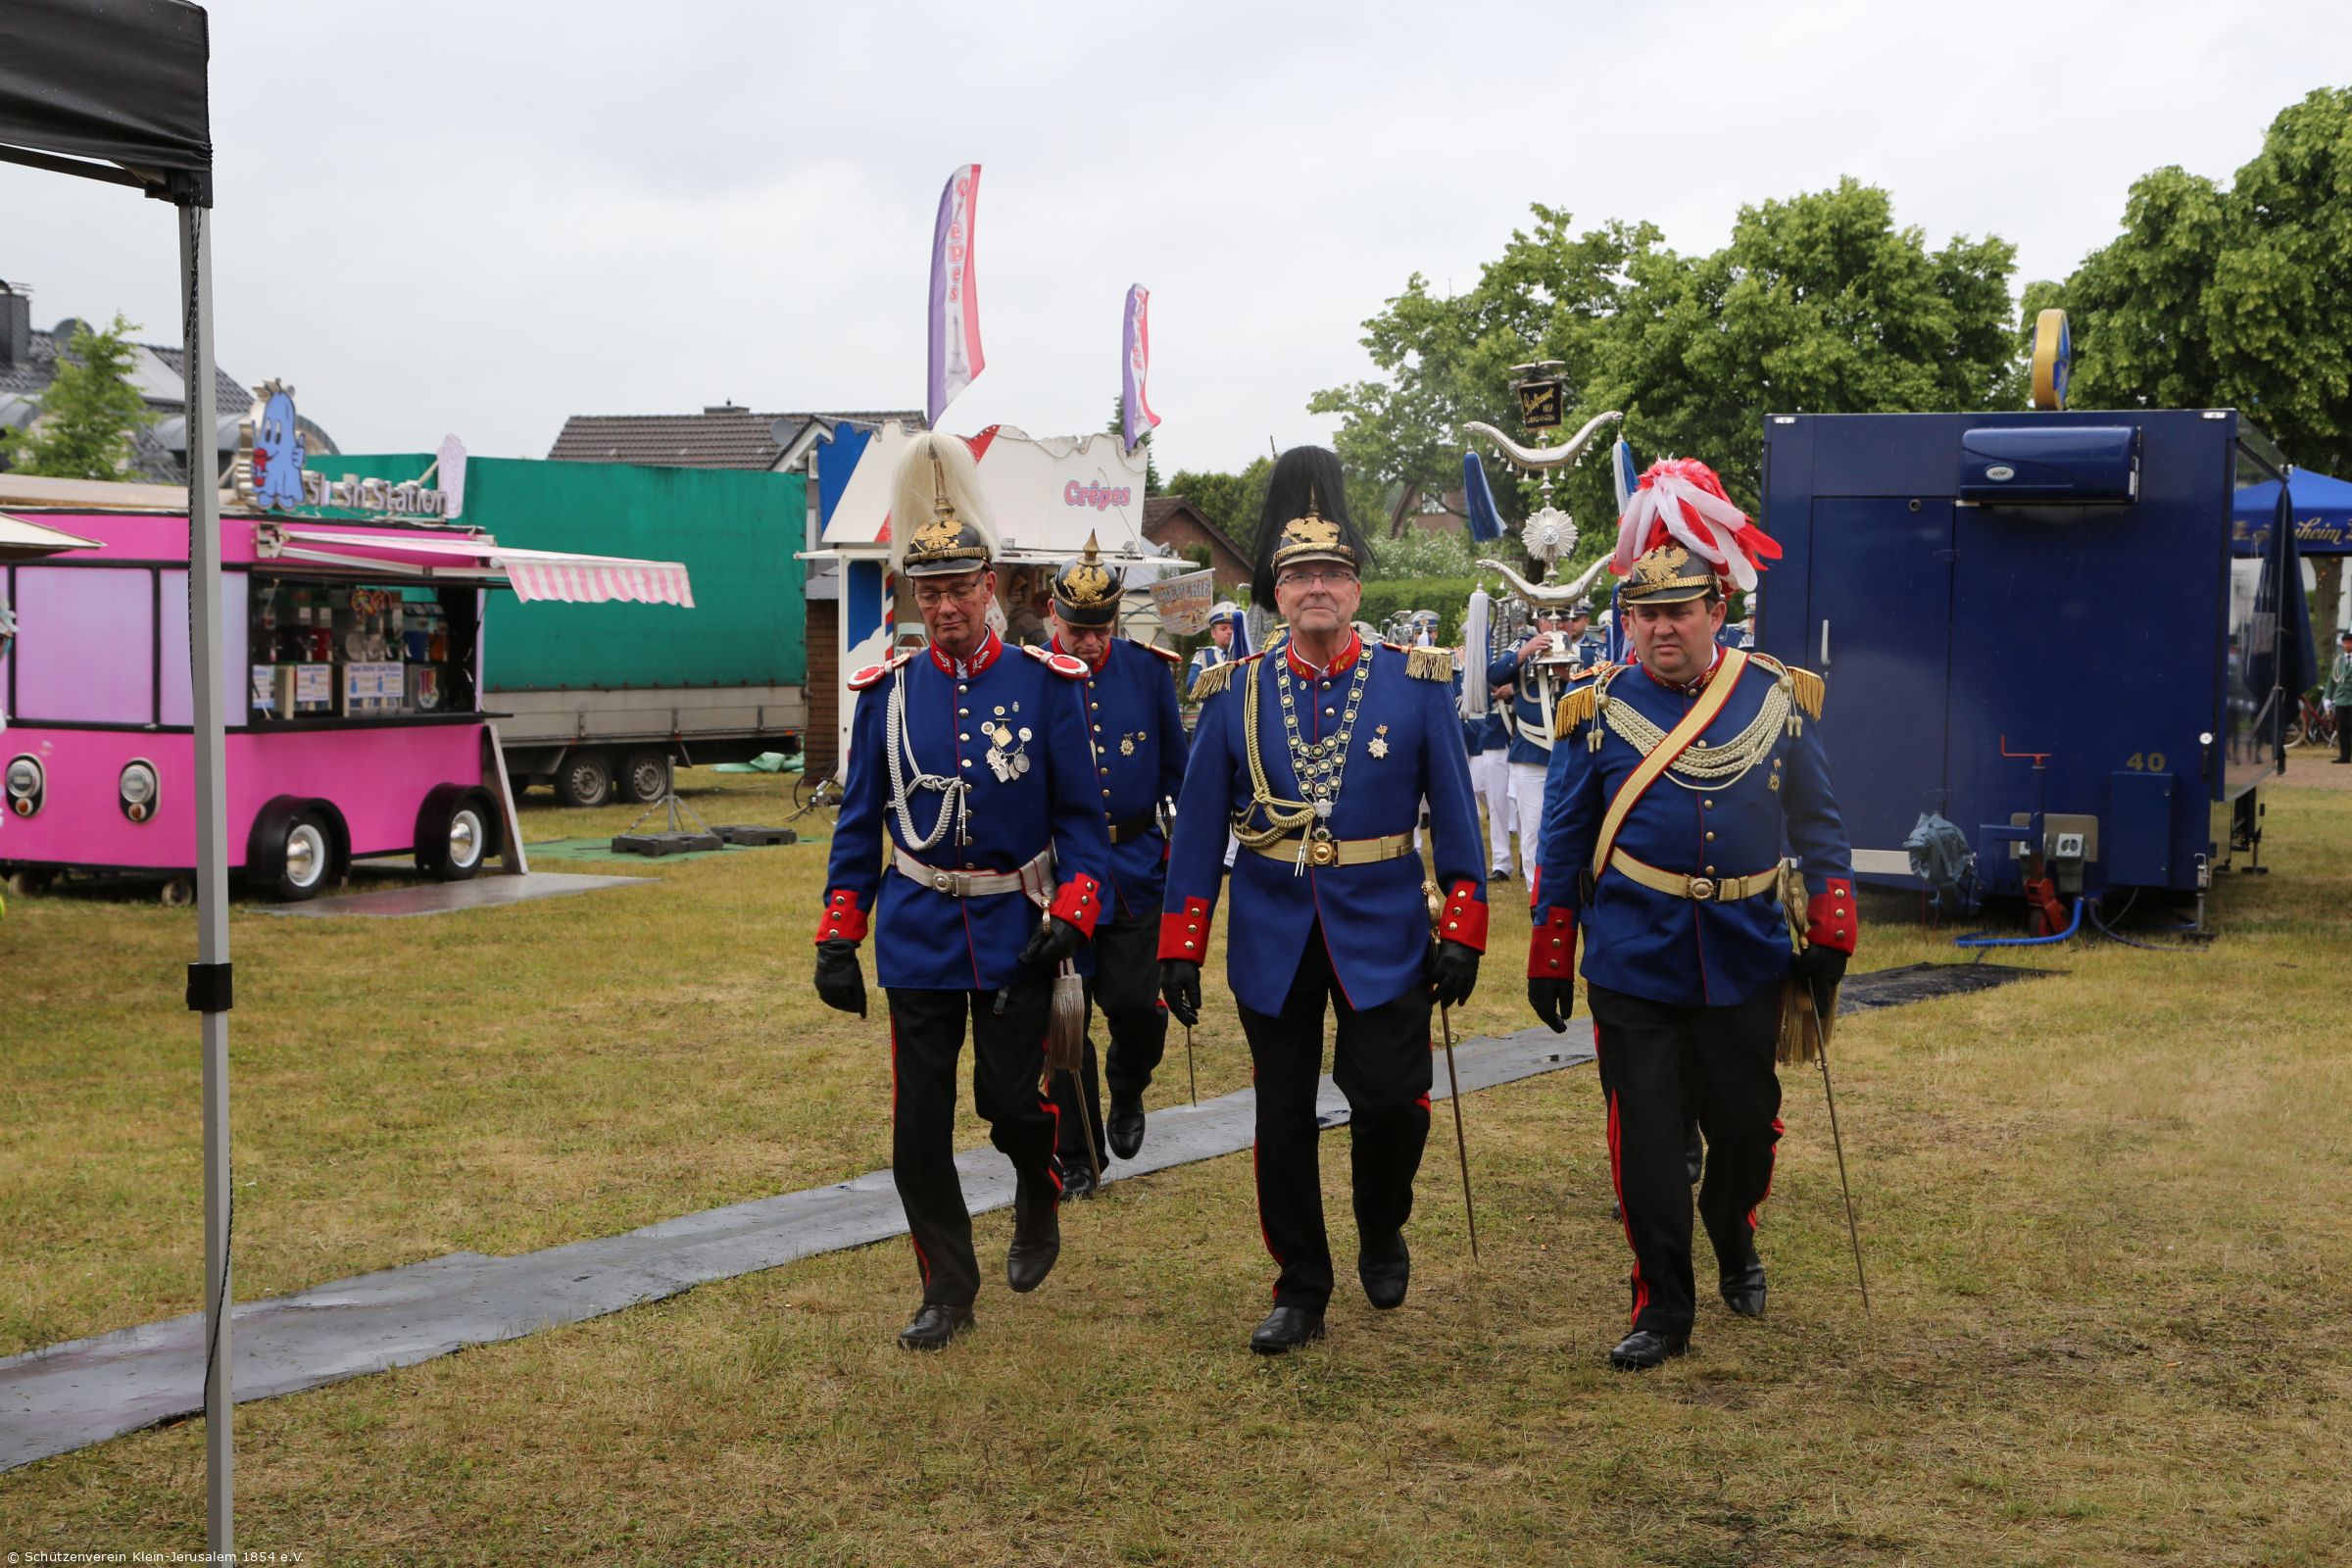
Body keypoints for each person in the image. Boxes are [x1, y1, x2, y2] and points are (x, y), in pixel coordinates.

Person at [1525, 457, 1855, 1372]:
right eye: (1646, 613)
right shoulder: (1596, 708)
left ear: (1718, 609)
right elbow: (1563, 839)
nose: (1662, 628)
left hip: (1746, 953)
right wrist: (1551, 949)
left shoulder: (1775, 696)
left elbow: (1821, 826)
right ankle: (1663, 1307)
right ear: (1628, 619)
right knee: (1647, 1143)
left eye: (1679, 611)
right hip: (1634, 957)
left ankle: (1732, 1227)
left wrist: (1832, 931)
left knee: (1748, 1129)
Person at [1157, 446, 1489, 1354]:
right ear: (1277, 591)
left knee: (1391, 1100)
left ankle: (1381, 1220)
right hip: (1273, 930)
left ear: (1354, 590)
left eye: (1332, 575)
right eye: (1300, 575)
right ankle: (1301, 1286)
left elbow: (1456, 817)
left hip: (1384, 927)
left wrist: (1464, 926)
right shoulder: (1234, 689)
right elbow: (1199, 831)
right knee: (1281, 1120)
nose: (1316, 589)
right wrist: (1180, 943)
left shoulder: (1414, 684)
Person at [811, 433, 1113, 1351]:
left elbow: (1084, 822)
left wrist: (1074, 912)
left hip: (1018, 926)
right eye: (929, 591)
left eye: (959, 588)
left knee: (1012, 1105)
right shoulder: (887, 694)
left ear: (990, 585)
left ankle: (1040, 1187)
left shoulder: (1046, 685)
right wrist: (838, 933)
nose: (944, 607)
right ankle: (947, 1287)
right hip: (917, 930)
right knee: (919, 1126)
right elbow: (859, 823)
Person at [1041, 533, 1190, 1192]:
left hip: (1134, 869)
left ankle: (1129, 1086)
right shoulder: (1031, 676)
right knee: (1063, 1020)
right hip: (1057, 873)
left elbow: (1178, 774)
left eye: (1100, 630)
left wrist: (1191, 860)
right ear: (1055, 616)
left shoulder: (1149, 672)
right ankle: (1077, 1154)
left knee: (1134, 1005)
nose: (1089, 644)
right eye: (1077, 630)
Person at [1490, 605, 1573, 882]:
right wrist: (1525, 652)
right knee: (1533, 828)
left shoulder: (1585, 651)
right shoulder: (1521, 647)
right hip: (1531, 751)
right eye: (1548, 618)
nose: (1556, 623)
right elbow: (1493, 675)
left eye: (1563, 617)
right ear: (1538, 622)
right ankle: (1535, 889)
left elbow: (1600, 687)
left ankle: (1569, 887)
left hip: (1572, 752)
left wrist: (1567, 674)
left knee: (1573, 826)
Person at [1459, 643, 1515, 880]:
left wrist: (1514, 689)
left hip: (1525, 732)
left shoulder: (1523, 645)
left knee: (1525, 804)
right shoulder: (1485, 649)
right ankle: (1501, 862)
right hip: (1494, 732)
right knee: (1495, 802)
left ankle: (1529, 857)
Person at [1187, 603, 1240, 690]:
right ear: (1213, 633)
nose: (1229, 632)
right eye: (1223, 628)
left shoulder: (1244, 654)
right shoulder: (1202, 656)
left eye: (1232, 628)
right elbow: (1191, 685)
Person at [2329, 628, 2352, 763]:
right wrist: (2327, 697)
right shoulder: (2338, 660)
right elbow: (2332, 679)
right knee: (2342, 727)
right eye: (2345, 643)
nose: (2347, 645)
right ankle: (2345, 756)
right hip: (2342, 698)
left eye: (2350, 642)